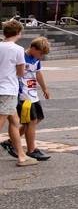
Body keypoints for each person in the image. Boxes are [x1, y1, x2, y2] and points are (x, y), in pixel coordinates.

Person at [9, 36, 51, 161]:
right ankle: (31, 150)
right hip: (22, 94)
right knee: (31, 121)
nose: (41, 56)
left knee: (38, 118)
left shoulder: (36, 59)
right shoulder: (21, 56)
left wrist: (44, 88)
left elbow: (38, 73)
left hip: (33, 94)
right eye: (40, 53)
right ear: (33, 48)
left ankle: (10, 141)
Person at [0, 20, 33, 167]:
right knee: (1, 121)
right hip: (7, 89)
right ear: (18, 33)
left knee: (14, 122)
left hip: (4, 89)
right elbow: (20, 72)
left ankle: (21, 155)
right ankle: (21, 156)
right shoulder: (18, 49)